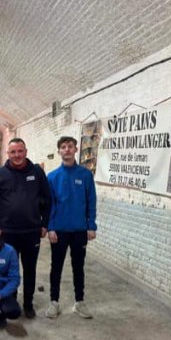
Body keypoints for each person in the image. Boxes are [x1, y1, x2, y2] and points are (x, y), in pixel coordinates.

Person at [0, 137, 51, 318]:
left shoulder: (36, 172)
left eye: (20, 151)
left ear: (26, 152)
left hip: (31, 232)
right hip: (7, 233)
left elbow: (47, 199)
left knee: (30, 269)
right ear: (8, 153)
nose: (17, 155)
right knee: (8, 269)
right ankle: (10, 300)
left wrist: (45, 224)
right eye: (13, 152)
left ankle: (28, 303)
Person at [45, 136, 97, 320]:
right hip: (59, 231)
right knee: (56, 267)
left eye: (70, 146)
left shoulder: (85, 175)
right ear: (59, 151)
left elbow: (91, 201)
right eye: (63, 147)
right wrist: (50, 227)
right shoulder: (52, 177)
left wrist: (91, 225)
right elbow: (49, 205)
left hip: (79, 230)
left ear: (76, 149)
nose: (66, 149)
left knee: (78, 267)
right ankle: (54, 302)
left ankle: (79, 302)